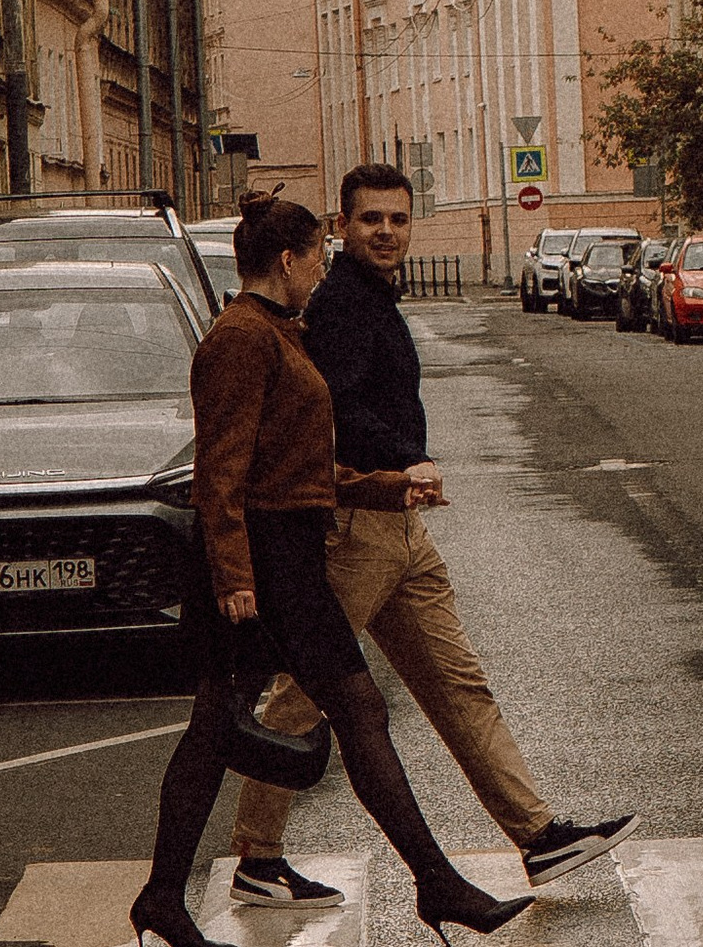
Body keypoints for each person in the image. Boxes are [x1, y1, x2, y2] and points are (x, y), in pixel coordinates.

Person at [131, 192, 532, 947]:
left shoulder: (275, 332)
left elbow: (298, 468)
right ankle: (437, 881)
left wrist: (387, 488)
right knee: (358, 710)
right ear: (288, 259)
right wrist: (235, 578)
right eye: (318, 254)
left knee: (216, 731)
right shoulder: (241, 340)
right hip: (265, 564)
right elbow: (221, 475)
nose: (324, 268)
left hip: (281, 550)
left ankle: (161, 897)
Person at [227, 161, 635, 906]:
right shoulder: (346, 304)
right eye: (370, 220)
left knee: (456, 683)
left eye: (398, 219)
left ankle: (538, 836)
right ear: (342, 228)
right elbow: (337, 413)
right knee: (306, 695)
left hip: (398, 527)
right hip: (356, 526)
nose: (386, 232)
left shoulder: (372, 298)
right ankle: (258, 855)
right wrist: (401, 460)